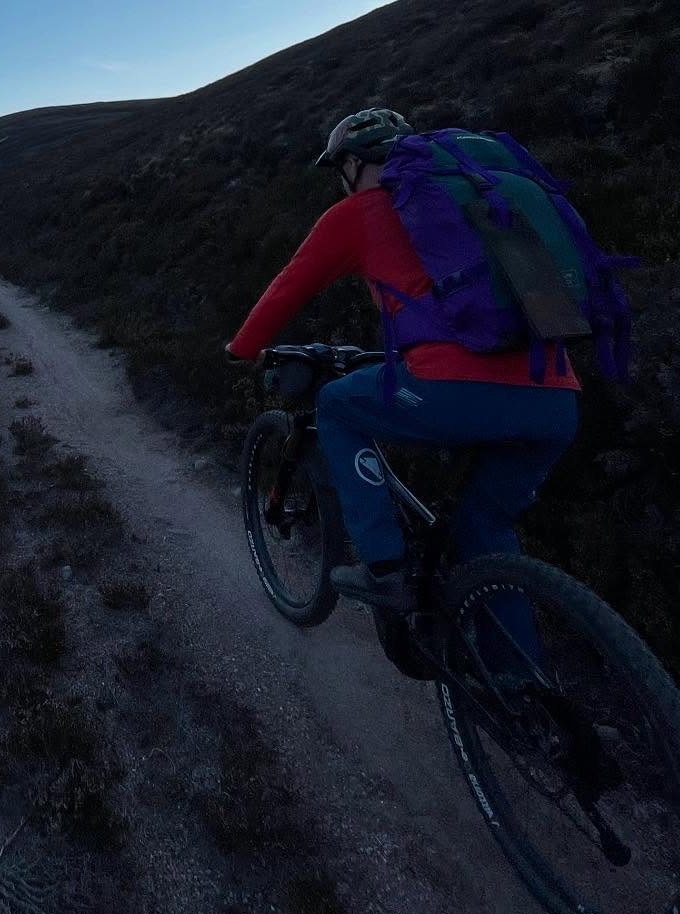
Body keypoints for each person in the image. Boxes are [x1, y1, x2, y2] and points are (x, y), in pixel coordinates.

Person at [225, 108, 580, 614]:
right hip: (556, 398)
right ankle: (511, 682)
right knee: (485, 528)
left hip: (453, 391)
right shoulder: (477, 196)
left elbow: (287, 287)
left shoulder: (362, 211)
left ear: (352, 164)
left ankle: (385, 568)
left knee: (335, 406)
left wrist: (241, 348)